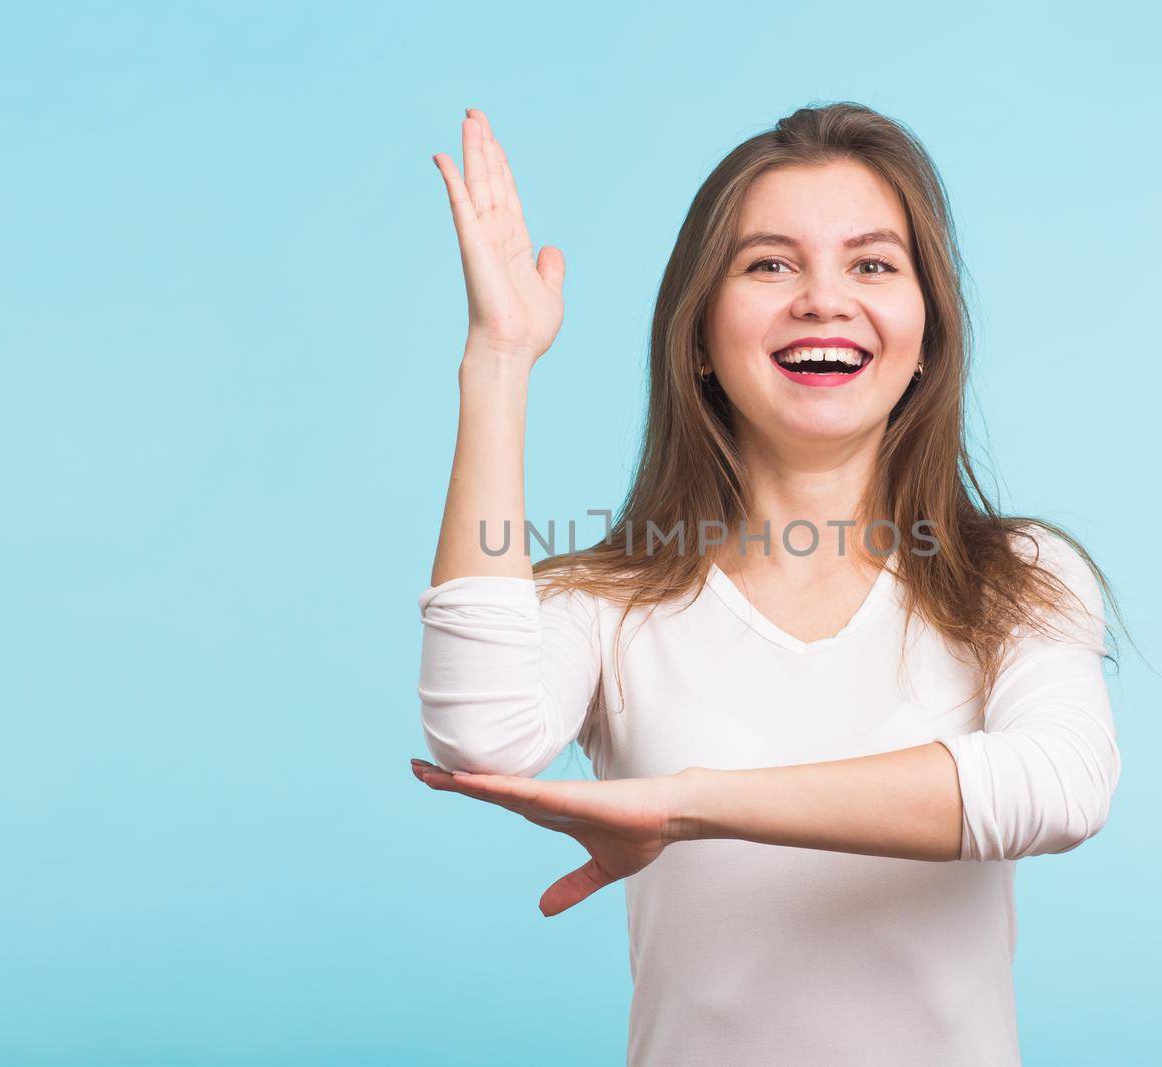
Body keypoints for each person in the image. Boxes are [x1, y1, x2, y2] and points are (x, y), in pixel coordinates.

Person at [411, 101, 1125, 1066]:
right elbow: (479, 732)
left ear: (928, 336)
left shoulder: (1018, 578)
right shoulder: (608, 603)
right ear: (698, 334)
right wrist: (498, 359)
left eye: (872, 264)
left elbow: (1057, 786)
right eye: (769, 264)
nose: (823, 299)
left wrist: (690, 802)